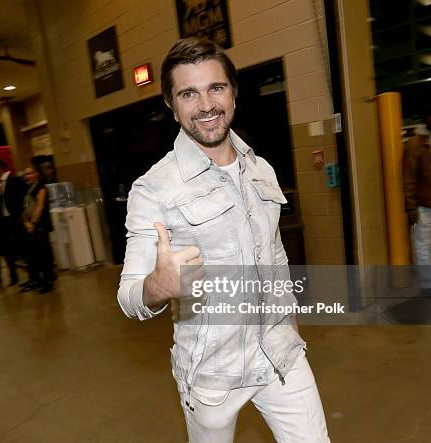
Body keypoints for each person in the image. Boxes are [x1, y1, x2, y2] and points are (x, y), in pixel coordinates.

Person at [117, 38, 330, 442]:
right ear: (171, 104)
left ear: (233, 92)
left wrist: (293, 325)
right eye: (188, 93)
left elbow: (275, 255)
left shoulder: (260, 168)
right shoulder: (153, 189)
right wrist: (158, 287)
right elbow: (128, 296)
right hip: (212, 374)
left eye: (216, 88)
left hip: (280, 353)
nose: (206, 105)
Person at [403, 114, 431, 296]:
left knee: (423, 245)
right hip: (424, 205)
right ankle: (428, 285)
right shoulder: (415, 144)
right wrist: (411, 207)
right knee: (423, 245)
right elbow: (409, 179)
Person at [0, 158, 26, 286]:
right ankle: (16, 276)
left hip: (16, 219)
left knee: (25, 249)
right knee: (10, 249)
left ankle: (36, 277)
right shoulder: (0, 183)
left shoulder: (14, 180)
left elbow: (20, 200)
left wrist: (20, 216)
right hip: (5, 221)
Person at [20, 166, 56, 294]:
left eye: (30, 173)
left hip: (39, 225)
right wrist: (25, 222)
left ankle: (48, 281)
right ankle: (38, 280)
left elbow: (39, 207)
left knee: (44, 254)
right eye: (25, 174)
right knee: (35, 254)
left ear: (36, 174)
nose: (27, 176)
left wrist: (33, 223)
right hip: (31, 225)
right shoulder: (29, 189)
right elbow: (26, 207)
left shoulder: (41, 188)